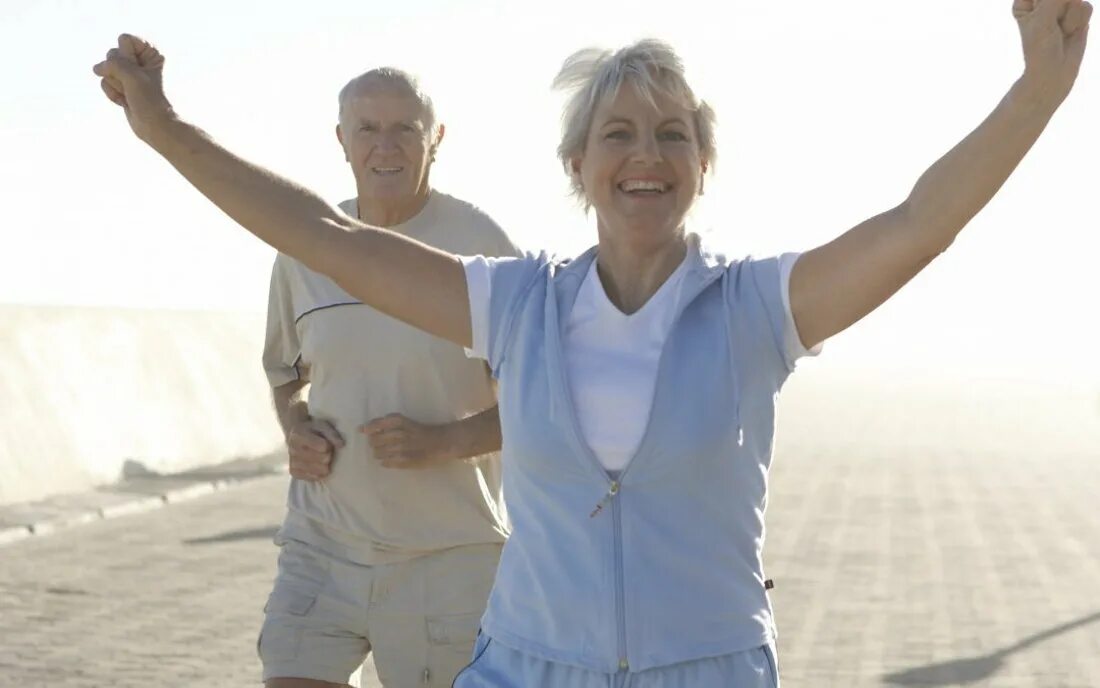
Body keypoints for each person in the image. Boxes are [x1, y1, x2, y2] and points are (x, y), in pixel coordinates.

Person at [92, 1, 1092, 684]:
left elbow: (919, 221)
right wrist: (164, 126)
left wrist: (1039, 90)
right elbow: (326, 237)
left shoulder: (755, 308)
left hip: (706, 667)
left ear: (702, 161)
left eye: (670, 134)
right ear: (577, 164)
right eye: (617, 133)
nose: (644, 155)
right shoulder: (516, 303)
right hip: (526, 665)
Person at [261, 68, 519, 687]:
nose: (386, 145)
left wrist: (444, 443)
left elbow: (542, 398)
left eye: (405, 128)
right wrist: (296, 424)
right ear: (342, 140)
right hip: (321, 546)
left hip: (447, 557)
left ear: (436, 138)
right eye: (368, 129)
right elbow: (285, 374)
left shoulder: (481, 249)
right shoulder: (305, 249)